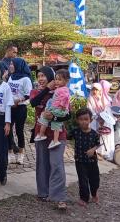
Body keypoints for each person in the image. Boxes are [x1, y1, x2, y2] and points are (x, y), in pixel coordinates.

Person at [30, 66, 69, 210]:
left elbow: (68, 114)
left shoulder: (61, 91)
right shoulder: (36, 92)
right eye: (38, 76)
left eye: (43, 76)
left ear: (51, 77)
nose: (40, 79)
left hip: (58, 135)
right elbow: (33, 103)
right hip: (41, 134)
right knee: (42, 163)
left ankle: (60, 197)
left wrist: (54, 116)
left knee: (57, 164)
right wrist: (46, 88)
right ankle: (43, 193)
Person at [72, 108, 101, 206]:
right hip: (79, 161)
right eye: (81, 119)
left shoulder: (94, 134)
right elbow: (65, 136)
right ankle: (84, 198)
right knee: (82, 180)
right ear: (77, 120)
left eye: (86, 119)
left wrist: (93, 150)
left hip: (92, 161)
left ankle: (94, 193)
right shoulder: (75, 132)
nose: (83, 121)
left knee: (94, 179)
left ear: (90, 120)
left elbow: (98, 144)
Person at [36, 69, 70, 149]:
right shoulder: (57, 89)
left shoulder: (63, 89)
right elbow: (33, 102)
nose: (57, 81)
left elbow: (65, 98)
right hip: (58, 110)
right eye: (56, 79)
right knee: (55, 125)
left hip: (58, 110)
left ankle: (42, 135)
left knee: (44, 116)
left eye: (59, 80)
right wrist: (47, 89)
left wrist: (61, 106)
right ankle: (54, 140)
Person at [7, 58, 32, 165]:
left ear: (18, 65)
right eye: (10, 64)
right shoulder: (11, 77)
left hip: (20, 108)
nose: (10, 66)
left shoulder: (26, 79)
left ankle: (21, 154)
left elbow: (29, 94)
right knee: (7, 130)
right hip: (10, 107)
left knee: (19, 131)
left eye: (12, 64)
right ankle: (10, 153)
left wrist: (19, 100)